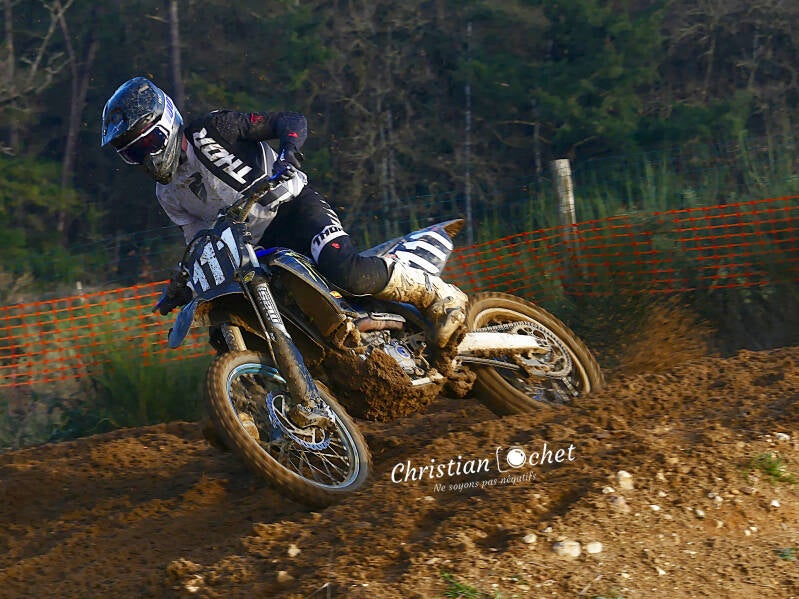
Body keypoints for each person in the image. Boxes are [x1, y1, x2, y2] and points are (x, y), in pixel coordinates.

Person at [100, 76, 467, 366]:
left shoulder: (213, 129)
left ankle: (440, 296)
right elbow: (200, 241)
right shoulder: (167, 194)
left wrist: (288, 154)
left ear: (165, 125)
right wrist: (185, 281)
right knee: (250, 315)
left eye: (144, 145)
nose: (144, 158)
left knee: (347, 271)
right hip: (255, 249)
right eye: (132, 153)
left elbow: (288, 120)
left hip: (294, 208)